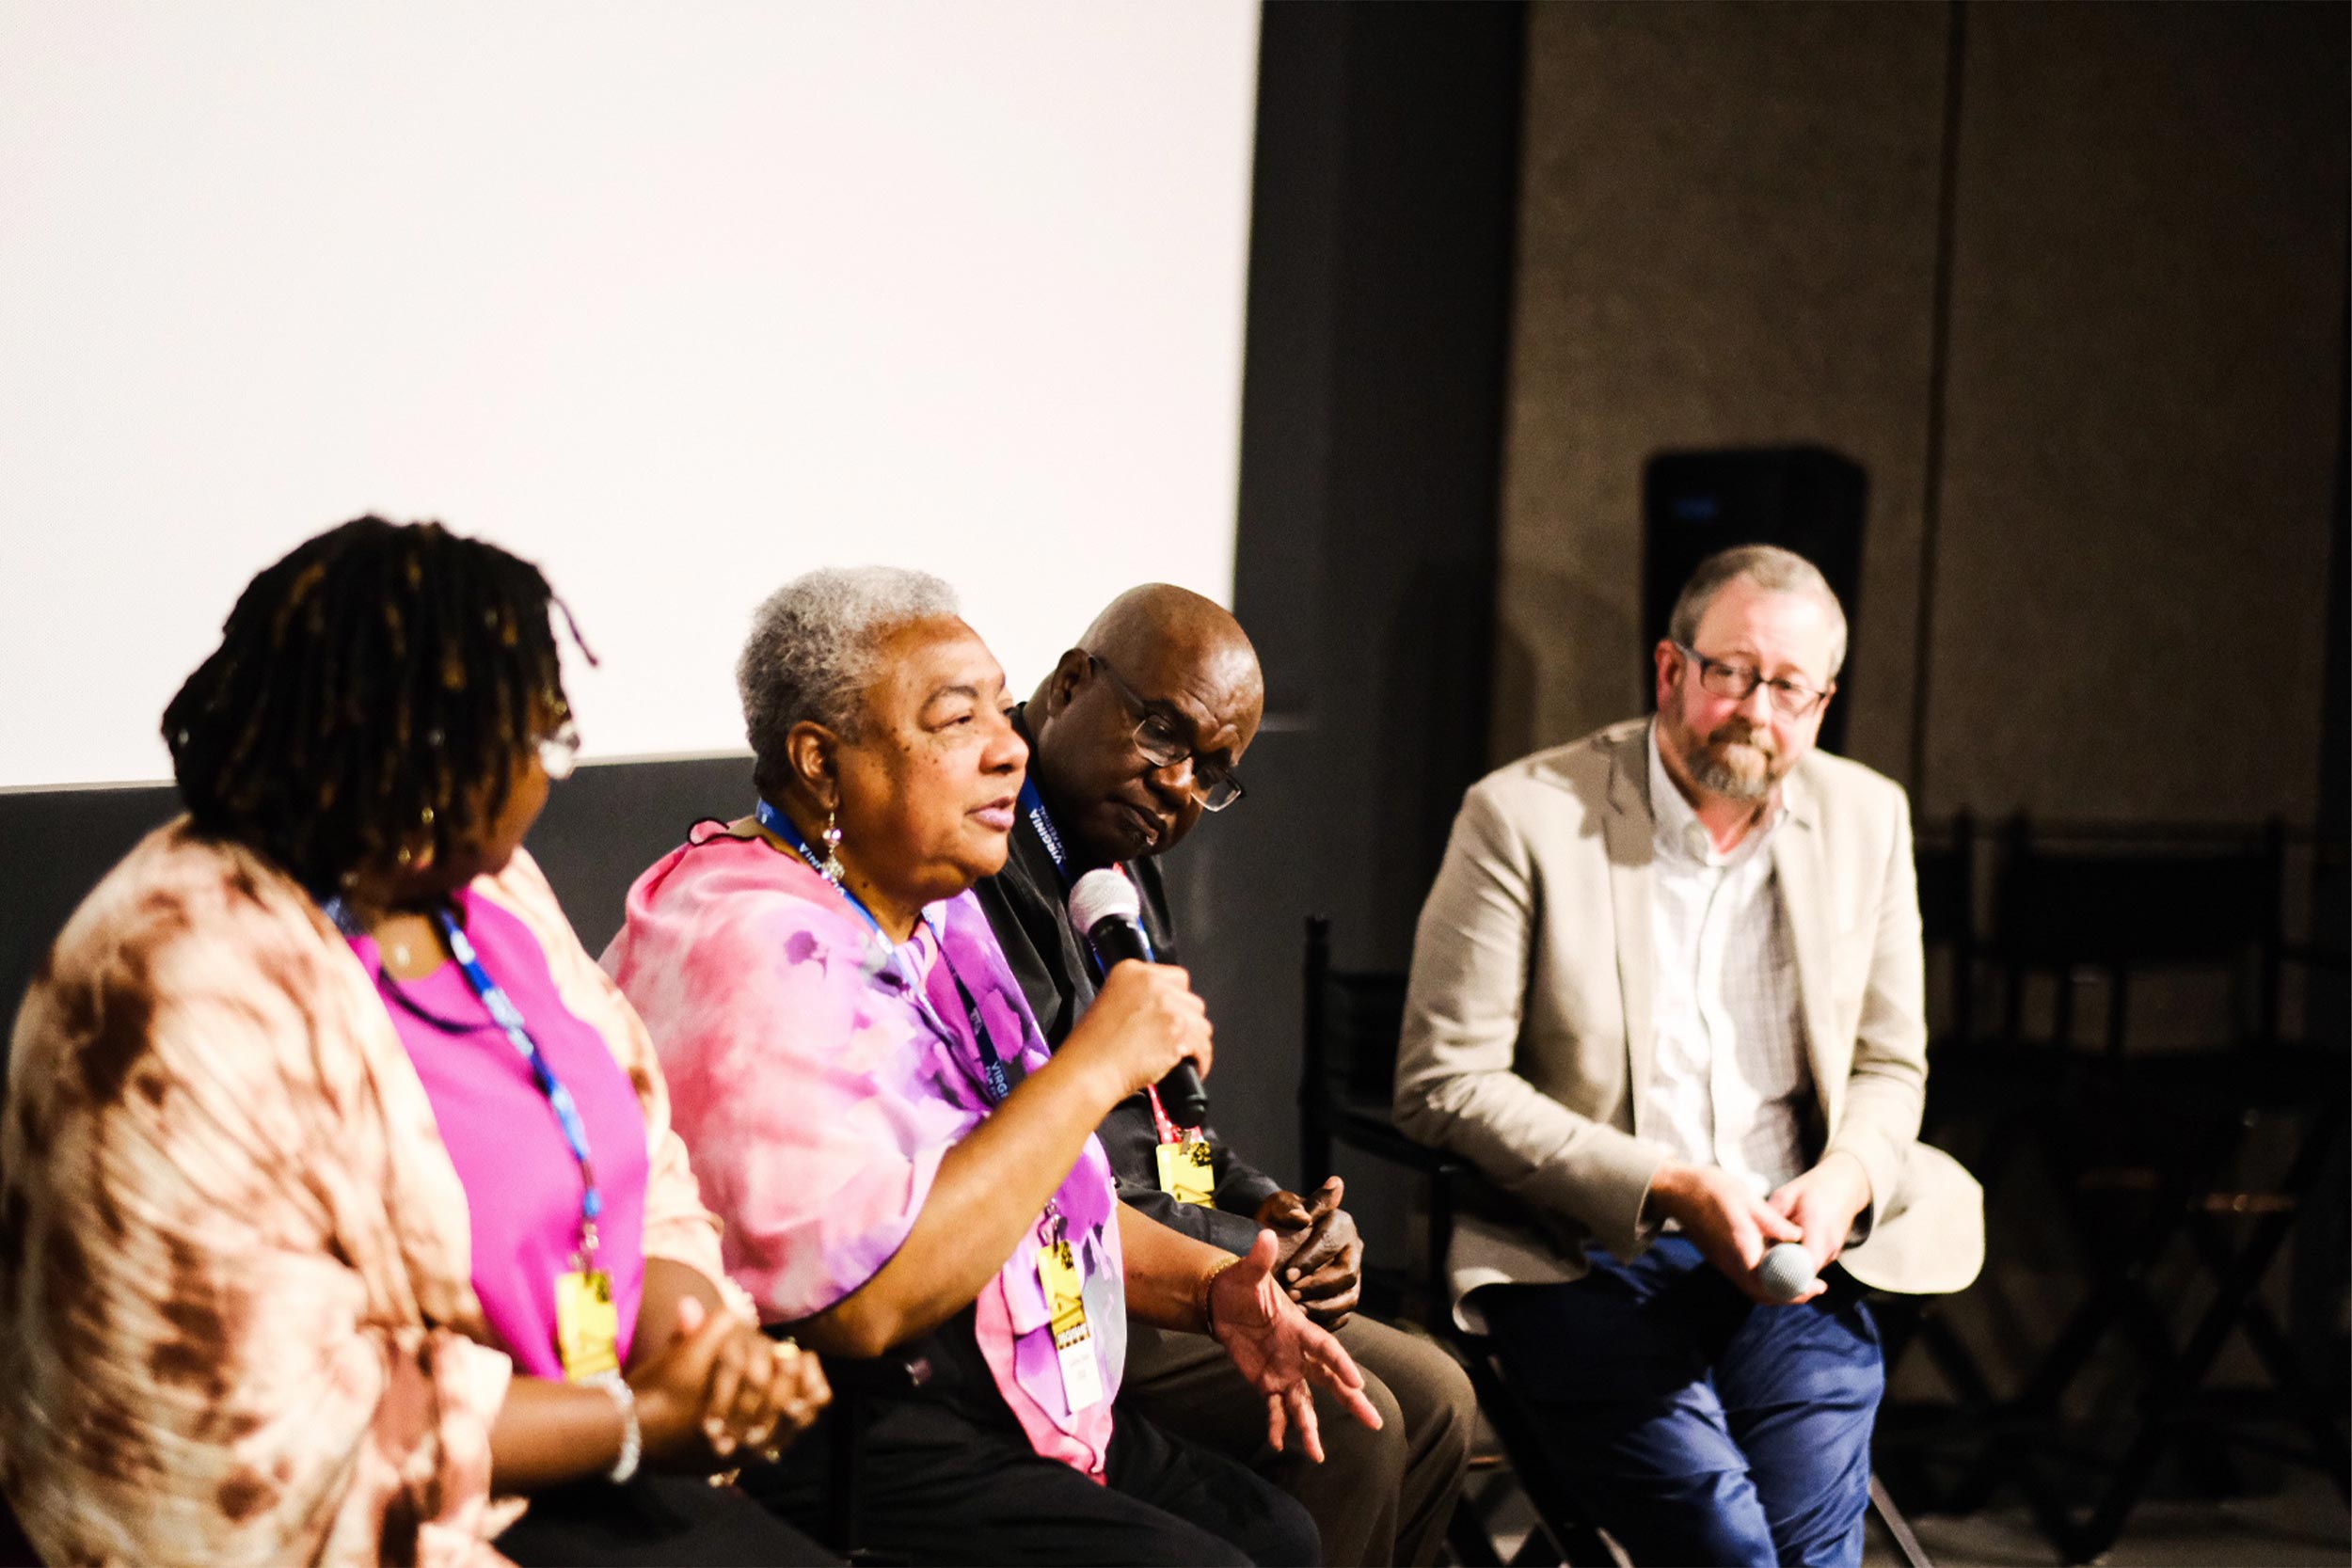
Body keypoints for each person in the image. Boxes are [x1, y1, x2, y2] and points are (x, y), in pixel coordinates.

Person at [0, 518, 833, 1568]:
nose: (556, 773)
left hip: (576, 1457)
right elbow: (260, 1432)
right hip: (358, 1519)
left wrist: (700, 1342)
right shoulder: (177, 979)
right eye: (541, 739)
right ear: (433, 760)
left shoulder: (486, 889)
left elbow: (636, 1155)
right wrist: (634, 1421)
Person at [603, 566, 1379, 1567]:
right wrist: (1092, 1066)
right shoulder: (751, 944)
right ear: (820, 762)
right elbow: (863, 1301)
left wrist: (1215, 1287)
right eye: (954, 719)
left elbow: (1034, 1198)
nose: (1008, 745)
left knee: (1276, 1531)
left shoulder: (927, 918)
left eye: (996, 707)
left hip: (977, 1371)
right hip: (828, 1418)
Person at [1392, 546, 1984, 1567]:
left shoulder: (1865, 817)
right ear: (1670, 670)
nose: (1758, 707)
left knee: (1808, 1549)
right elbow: (1443, 1080)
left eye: (1789, 685)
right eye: (1732, 671)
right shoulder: (1524, 815)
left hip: (1789, 1256)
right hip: (1581, 1251)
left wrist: (1845, 1178)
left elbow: (1892, 1063)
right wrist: (1665, 1182)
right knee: (1724, 1546)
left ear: (1822, 701)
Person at [975, 583, 1477, 1567]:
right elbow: (1042, 1156)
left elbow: (1166, 1135)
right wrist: (1239, 1245)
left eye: (1211, 773)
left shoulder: (1118, 859)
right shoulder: (977, 851)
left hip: (1174, 1240)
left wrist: (1271, 1207)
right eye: (1165, 736)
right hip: (1061, 1271)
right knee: (1361, 1416)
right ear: (1073, 683)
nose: (1178, 785)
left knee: (1440, 1395)